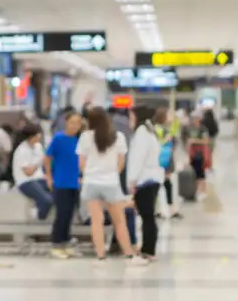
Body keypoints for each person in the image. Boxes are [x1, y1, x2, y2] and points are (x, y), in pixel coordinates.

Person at [77, 107, 146, 264]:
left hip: (91, 183)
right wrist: (111, 174)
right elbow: (121, 163)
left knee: (96, 221)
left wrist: (90, 174)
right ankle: (129, 254)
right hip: (110, 183)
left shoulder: (85, 137)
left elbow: (81, 163)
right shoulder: (118, 137)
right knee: (119, 221)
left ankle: (100, 256)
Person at [127, 106, 164, 262]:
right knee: (148, 216)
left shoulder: (142, 133)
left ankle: (148, 250)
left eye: (131, 117)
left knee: (147, 216)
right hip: (153, 178)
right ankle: (148, 249)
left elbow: (137, 159)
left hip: (144, 180)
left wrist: (131, 181)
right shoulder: (149, 132)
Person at [44, 111, 82, 259]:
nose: (75, 126)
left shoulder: (80, 140)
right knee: (61, 214)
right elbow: (47, 158)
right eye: (72, 123)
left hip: (75, 183)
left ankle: (66, 242)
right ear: (66, 123)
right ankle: (56, 243)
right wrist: (49, 176)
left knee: (69, 215)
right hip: (61, 182)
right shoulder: (58, 139)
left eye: (78, 123)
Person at [12, 124, 54, 220]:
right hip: (26, 182)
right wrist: (40, 161)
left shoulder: (38, 146)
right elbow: (28, 172)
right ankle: (37, 219)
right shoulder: (21, 151)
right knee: (46, 200)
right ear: (31, 136)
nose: (39, 137)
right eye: (37, 135)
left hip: (39, 179)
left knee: (60, 190)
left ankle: (39, 208)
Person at [154, 108, 182, 220]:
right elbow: (159, 142)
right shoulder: (157, 128)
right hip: (160, 159)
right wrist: (167, 138)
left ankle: (169, 209)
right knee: (160, 183)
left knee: (166, 183)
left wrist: (175, 120)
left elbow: (175, 132)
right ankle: (159, 209)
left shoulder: (167, 128)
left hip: (167, 158)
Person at [186, 112, 209, 199]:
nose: (194, 120)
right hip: (192, 154)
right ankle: (195, 191)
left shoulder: (203, 129)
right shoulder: (190, 129)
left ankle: (202, 191)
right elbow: (188, 141)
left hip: (200, 153)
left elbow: (206, 141)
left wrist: (194, 141)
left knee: (200, 173)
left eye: (196, 118)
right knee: (194, 173)